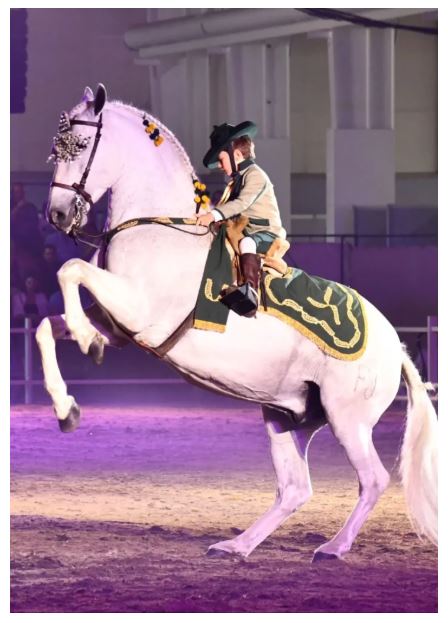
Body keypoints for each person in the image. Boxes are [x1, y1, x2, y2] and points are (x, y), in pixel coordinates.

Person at [196, 121, 286, 317]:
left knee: (247, 243)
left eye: (221, 160)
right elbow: (225, 207)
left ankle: (250, 293)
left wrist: (213, 215)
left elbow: (242, 204)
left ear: (236, 155)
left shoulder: (256, 176)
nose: (219, 166)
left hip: (263, 233)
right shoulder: (236, 180)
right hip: (243, 228)